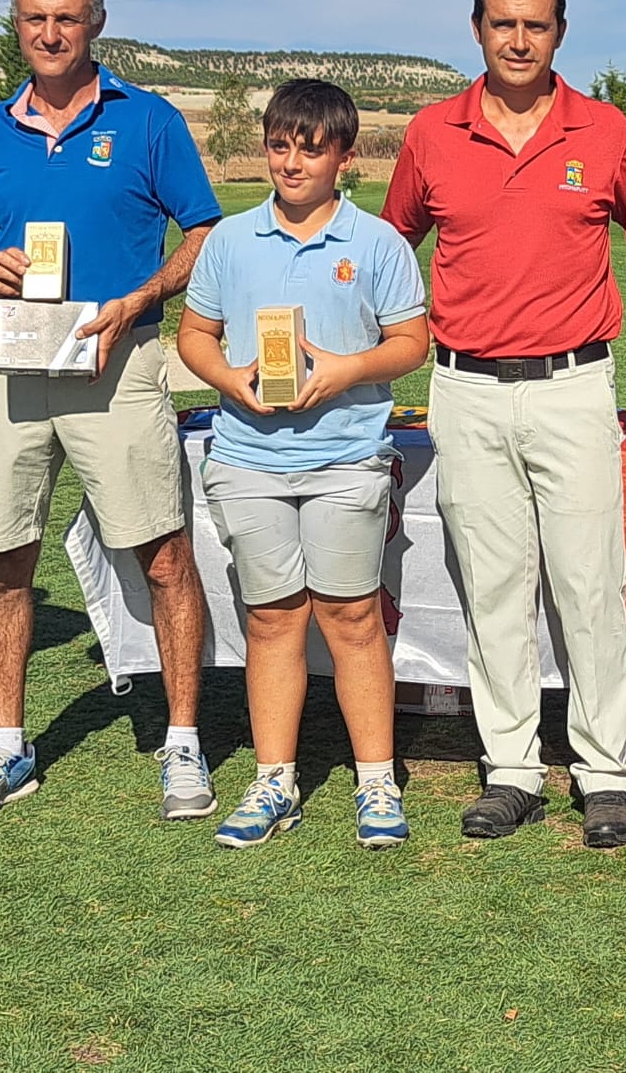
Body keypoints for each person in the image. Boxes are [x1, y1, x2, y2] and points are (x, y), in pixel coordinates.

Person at [0, 0, 221, 824]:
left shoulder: (149, 120)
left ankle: (182, 745)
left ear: (96, 22)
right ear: (15, 25)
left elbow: (203, 229)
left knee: (163, 557)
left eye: (67, 17)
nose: (50, 34)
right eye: (34, 19)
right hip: (9, 367)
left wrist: (141, 297)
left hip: (117, 361)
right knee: (1, 563)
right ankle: (7, 750)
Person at [381, 0, 626, 848]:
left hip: (574, 383)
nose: (519, 39)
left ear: (561, 31)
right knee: (492, 589)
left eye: (536, 23)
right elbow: (391, 247)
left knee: (588, 585)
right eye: (504, 22)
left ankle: (606, 772)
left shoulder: (607, 130)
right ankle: (512, 770)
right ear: (478, 29)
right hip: (465, 387)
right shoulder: (430, 132)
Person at [177, 79, 429, 850]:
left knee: (352, 619)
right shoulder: (227, 240)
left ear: (344, 157)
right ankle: (273, 781)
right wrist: (231, 382)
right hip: (248, 460)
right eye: (280, 145)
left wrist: (342, 371)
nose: (292, 163)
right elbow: (195, 336)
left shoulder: (378, 242)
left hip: (347, 458)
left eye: (310, 149)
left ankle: (376, 780)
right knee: (272, 621)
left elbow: (411, 344)